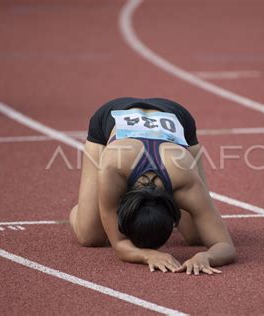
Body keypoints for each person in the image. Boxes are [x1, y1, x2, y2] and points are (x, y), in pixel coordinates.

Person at [69, 97, 236, 275]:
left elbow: (225, 246)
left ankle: (97, 205)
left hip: (176, 116)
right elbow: (118, 244)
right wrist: (146, 255)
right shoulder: (112, 169)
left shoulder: (185, 180)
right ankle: (83, 209)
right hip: (109, 117)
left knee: (196, 237)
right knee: (90, 236)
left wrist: (206, 257)